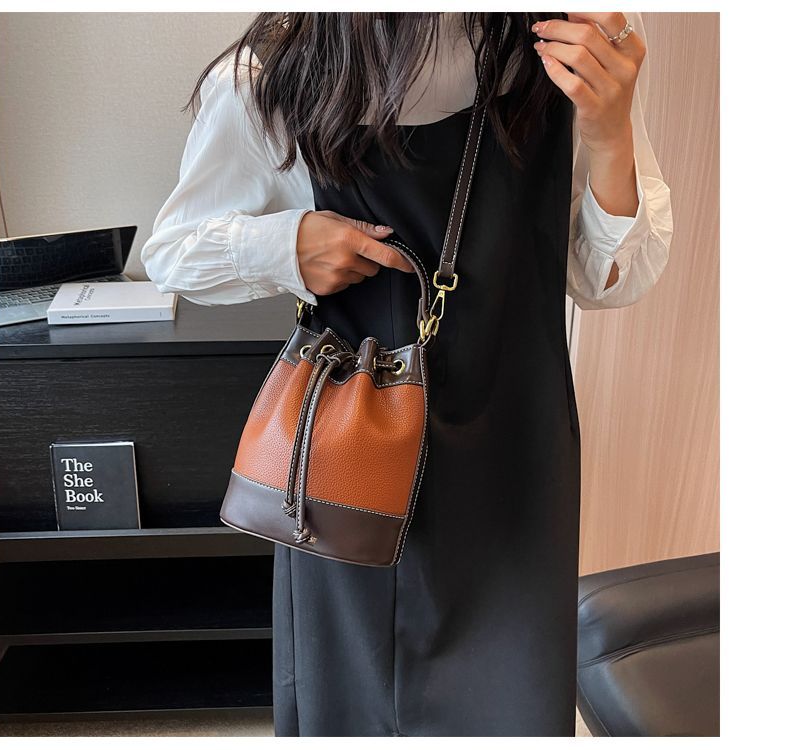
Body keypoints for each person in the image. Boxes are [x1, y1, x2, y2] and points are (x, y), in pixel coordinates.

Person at [140, 12, 673, 737]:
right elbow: (173, 252)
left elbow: (611, 279)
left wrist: (610, 134)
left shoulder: (562, 45)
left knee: (510, 698)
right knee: (354, 701)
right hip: (349, 464)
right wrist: (287, 244)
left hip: (515, 455)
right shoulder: (273, 75)